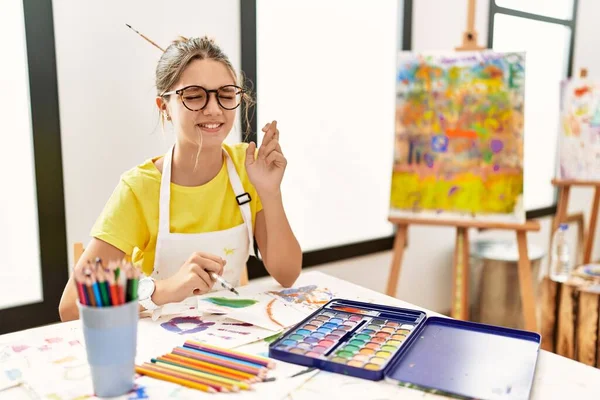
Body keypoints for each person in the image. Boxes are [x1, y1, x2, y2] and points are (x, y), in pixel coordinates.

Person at [58, 36, 302, 321]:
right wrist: (163, 289)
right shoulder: (139, 188)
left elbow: (287, 275)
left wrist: (271, 193)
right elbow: (72, 306)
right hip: (160, 347)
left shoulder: (247, 166)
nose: (213, 109)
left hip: (230, 338)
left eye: (225, 94)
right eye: (195, 96)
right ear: (165, 106)